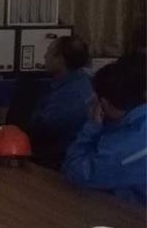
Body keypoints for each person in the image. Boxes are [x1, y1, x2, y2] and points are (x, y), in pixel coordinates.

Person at [62, 55, 147, 205]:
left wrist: (92, 126)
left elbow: (75, 173)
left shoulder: (127, 146)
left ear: (104, 104)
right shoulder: (135, 124)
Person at [23, 35, 94, 168]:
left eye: (49, 52)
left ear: (60, 60)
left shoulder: (70, 93)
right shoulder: (79, 81)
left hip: (60, 159)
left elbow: (43, 129)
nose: (45, 56)